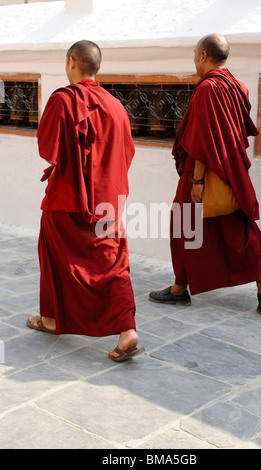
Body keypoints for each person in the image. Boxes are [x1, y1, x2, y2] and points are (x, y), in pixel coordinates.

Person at [27, 40, 143, 361]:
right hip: (108, 202)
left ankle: (51, 319)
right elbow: (126, 154)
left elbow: (49, 148)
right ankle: (127, 330)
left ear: (72, 63)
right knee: (114, 264)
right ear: (98, 68)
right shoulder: (117, 106)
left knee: (52, 253)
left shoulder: (63, 100)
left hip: (67, 200)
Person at [149, 33, 261, 314]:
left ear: (202, 56)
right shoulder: (238, 87)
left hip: (204, 171)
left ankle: (178, 290)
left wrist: (197, 181)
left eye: (195, 56)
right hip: (228, 171)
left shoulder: (209, 89)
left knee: (183, 225)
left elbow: (203, 139)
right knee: (234, 229)